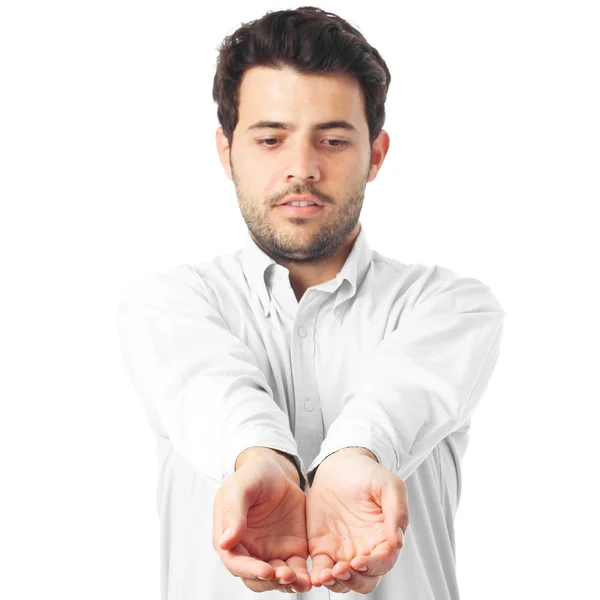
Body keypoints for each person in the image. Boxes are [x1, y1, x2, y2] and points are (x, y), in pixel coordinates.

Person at [116, 6, 505, 599]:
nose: (302, 168)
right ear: (226, 152)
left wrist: (355, 456)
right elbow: (208, 387)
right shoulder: (170, 304)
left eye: (333, 139)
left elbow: (402, 395)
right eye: (271, 139)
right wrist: (260, 458)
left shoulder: (450, 306)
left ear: (376, 154)